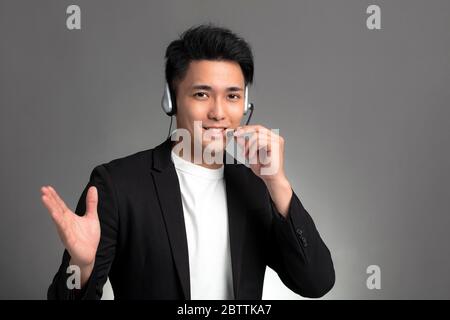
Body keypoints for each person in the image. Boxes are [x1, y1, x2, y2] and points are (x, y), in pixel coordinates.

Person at [41, 24, 335, 300]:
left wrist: (278, 183)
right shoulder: (116, 185)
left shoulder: (257, 189)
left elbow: (316, 282)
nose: (218, 113)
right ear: (171, 100)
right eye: (201, 94)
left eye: (232, 96)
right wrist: (81, 265)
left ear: (245, 104)